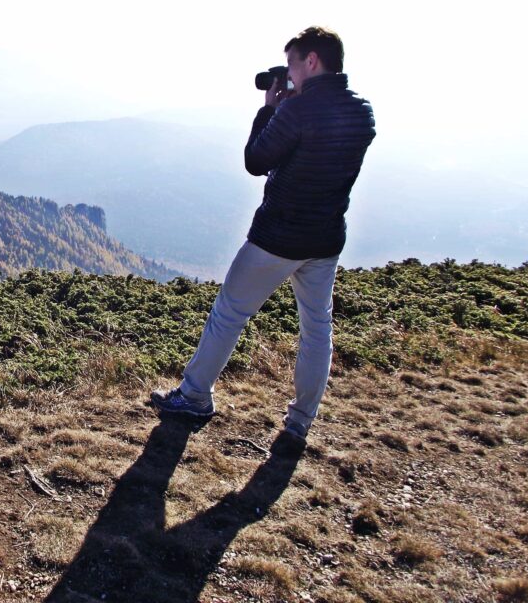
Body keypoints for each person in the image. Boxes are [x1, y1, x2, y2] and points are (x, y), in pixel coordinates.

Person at [151, 26, 376, 442]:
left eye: (291, 63)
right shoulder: (361, 112)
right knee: (317, 329)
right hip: (326, 240)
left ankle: (195, 395)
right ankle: (300, 421)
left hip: (276, 237)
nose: (288, 73)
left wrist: (270, 109)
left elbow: (256, 160)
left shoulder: (296, 111)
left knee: (229, 315)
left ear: (311, 61)